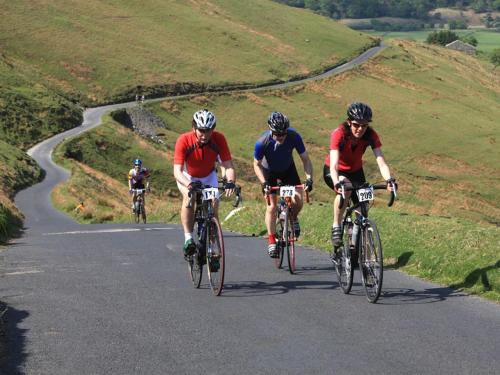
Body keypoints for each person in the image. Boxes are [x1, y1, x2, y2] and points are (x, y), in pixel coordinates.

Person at [323, 102, 396, 252]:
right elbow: (334, 165)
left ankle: (356, 244)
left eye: (364, 125)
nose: (360, 129)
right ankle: (336, 225)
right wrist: (337, 183)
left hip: (356, 171)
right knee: (345, 189)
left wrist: (389, 180)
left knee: (363, 207)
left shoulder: (370, 135)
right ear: (349, 122)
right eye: (356, 125)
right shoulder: (339, 134)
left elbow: (381, 161)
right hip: (336, 171)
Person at [173, 109, 236, 259]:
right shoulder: (184, 140)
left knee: (213, 208)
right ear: (194, 128)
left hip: (208, 176)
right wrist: (189, 184)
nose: (204, 134)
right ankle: (188, 238)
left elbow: (228, 166)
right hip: (187, 176)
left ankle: (212, 246)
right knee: (190, 198)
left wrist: (231, 182)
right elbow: (177, 171)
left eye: (208, 130)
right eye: (201, 130)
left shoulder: (219, 139)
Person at [253, 111, 313, 258]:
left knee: (298, 200)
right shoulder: (262, 142)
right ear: (271, 131)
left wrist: (309, 178)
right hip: (269, 173)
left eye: (283, 134)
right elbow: (256, 164)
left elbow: (305, 159)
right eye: (277, 134)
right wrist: (264, 183)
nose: (280, 137)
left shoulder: (294, 136)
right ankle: (272, 240)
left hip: (288, 170)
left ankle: (292, 217)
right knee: (272, 206)